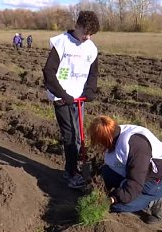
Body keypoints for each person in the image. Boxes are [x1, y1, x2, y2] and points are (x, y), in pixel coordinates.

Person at [43, 11, 100, 189]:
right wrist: (63, 94)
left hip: (79, 98)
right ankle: (71, 173)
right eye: (85, 33)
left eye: (91, 34)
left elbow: (93, 72)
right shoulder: (62, 43)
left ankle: (75, 169)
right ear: (78, 26)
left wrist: (90, 90)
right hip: (63, 98)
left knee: (79, 136)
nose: (87, 37)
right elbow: (48, 72)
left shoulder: (90, 47)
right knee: (71, 136)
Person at [88, 115, 162, 224]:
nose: (99, 145)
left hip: (157, 180)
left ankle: (157, 202)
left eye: (99, 141)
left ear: (106, 138)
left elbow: (135, 184)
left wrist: (112, 199)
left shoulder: (136, 146)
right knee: (107, 172)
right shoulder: (114, 135)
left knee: (118, 206)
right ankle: (123, 189)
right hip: (137, 174)